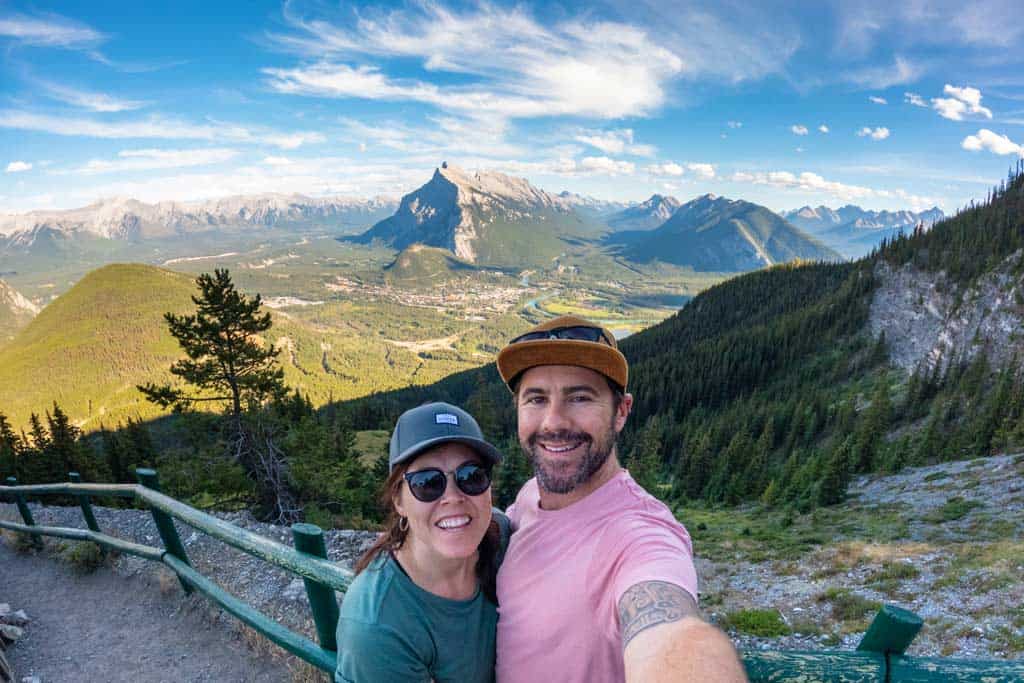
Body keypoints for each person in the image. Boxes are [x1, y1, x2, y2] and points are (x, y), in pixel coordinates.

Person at [494, 315, 747, 682]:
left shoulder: (639, 535)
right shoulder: (530, 494)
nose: (553, 422)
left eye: (579, 397)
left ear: (621, 412)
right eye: (536, 399)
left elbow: (671, 633)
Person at [335, 401, 508, 683]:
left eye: (471, 476)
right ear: (399, 500)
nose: (453, 497)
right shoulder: (378, 627)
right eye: (428, 482)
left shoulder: (501, 536)